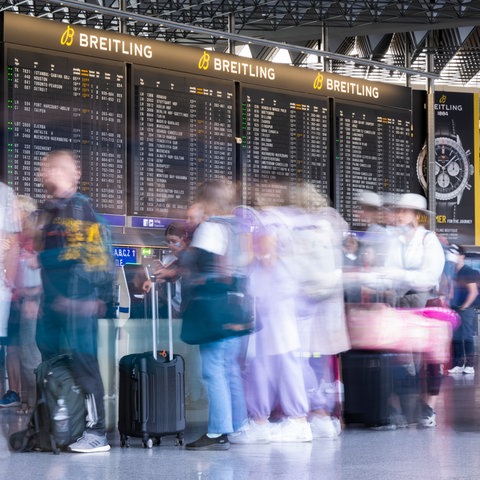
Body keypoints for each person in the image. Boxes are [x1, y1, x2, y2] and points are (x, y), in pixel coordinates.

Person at [33, 149, 112, 453]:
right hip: (53, 306)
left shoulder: (80, 210)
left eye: (49, 169)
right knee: (54, 366)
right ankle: (59, 427)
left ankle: (97, 432)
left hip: (77, 305)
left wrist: (41, 258)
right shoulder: (51, 212)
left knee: (84, 366)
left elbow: (90, 258)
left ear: (67, 173)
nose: (43, 174)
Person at [183, 179, 249, 451]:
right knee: (231, 369)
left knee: (212, 371)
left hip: (213, 309)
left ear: (206, 202)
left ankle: (218, 431)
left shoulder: (210, 228)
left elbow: (196, 262)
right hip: (236, 307)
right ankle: (239, 425)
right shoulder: (237, 228)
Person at [383, 193, 445, 428]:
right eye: (398, 211)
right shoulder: (394, 241)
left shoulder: (428, 239)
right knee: (403, 357)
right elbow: (388, 271)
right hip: (400, 303)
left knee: (430, 357)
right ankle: (403, 408)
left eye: (403, 211)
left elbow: (429, 275)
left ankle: (428, 407)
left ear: (415, 215)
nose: (398, 215)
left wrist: (401, 276)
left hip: (425, 302)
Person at [0, 195, 41, 413]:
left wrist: (33, 294)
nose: (10, 213)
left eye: (14, 209)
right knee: (16, 351)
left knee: (30, 354)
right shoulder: (15, 238)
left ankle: (34, 404)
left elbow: (40, 271)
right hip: (15, 301)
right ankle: (23, 399)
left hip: (30, 302)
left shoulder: (35, 238)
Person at [0, 183, 21, 407]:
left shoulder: (5, 194)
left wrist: (10, 281)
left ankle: (15, 392)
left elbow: (13, 246)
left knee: (12, 351)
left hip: (5, 295)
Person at [448, 245, 478, 375]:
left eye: (456, 254)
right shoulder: (452, 272)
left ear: (462, 256)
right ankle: (459, 364)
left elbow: (473, 292)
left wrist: (465, 306)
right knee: (457, 338)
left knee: (466, 337)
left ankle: (470, 366)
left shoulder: (468, 271)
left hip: (465, 309)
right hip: (454, 308)